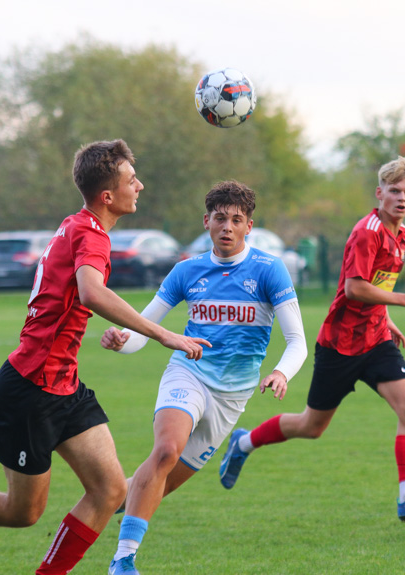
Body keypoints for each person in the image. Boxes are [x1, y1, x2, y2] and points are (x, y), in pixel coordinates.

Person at [0, 139, 210, 575]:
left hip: (63, 385)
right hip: (31, 387)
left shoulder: (77, 226)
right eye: (133, 179)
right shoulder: (90, 233)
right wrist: (162, 334)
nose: (141, 186)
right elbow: (93, 293)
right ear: (107, 196)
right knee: (23, 512)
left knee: (110, 490)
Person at [218, 156, 405, 524]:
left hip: (375, 341)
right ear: (380, 193)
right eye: (394, 191)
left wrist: (387, 318)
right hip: (340, 344)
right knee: (312, 426)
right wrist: (404, 301)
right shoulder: (368, 231)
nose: (402, 198)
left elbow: (378, 284)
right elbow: (356, 288)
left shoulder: (402, 235)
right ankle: (244, 442)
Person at [100, 180, 308, 575]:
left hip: (232, 397)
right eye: (219, 219)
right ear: (206, 222)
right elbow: (144, 329)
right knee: (164, 452)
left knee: (149, 488)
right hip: (188, 374)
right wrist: (121, 340)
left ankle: (92, 508)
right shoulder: (187, 271)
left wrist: (281, 372)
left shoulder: (269, 270)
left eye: (236, 220)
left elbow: (297, 341)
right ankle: (123, 560)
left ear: (249, 226)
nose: (227, 227)